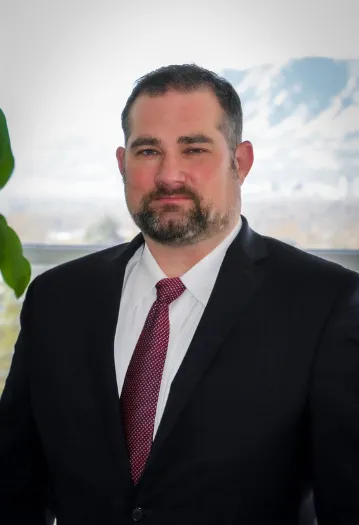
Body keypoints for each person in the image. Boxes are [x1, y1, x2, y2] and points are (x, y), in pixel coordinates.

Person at [0, 63, 358, 525]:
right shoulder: (56, 299)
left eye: (194, 149)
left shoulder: (325, 303)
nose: (169, 175)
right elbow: (12, 485)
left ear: (241, 161)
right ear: (122, 163)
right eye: (148, 150)